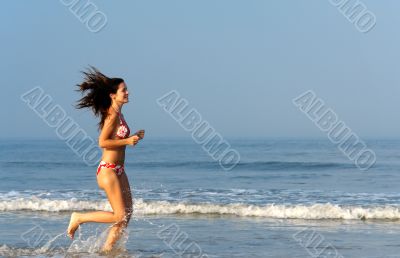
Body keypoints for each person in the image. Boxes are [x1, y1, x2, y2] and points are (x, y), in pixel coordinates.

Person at [66, 67, 145, 253]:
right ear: (113, 95)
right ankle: (79, 217)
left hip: (119, 170)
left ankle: (107, 250)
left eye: (126, 89)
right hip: (108, 170)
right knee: (119, 215)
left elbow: (116, 140)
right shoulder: (111, 115)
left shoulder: (119, 114)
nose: (127, 92)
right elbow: (102, 142)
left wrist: (133, 137)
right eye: (123, 90)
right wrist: (128, 140)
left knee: (126, 214)